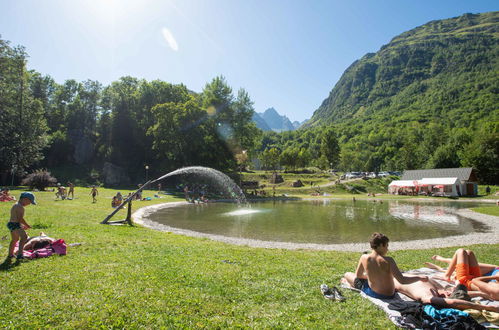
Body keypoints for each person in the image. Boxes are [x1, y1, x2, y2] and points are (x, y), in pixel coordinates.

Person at [343, 233, 428, 299]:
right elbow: (402, 280)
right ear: (380, 245)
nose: (387, 248)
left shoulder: (364, 257)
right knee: (354, 277)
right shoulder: (389, 260)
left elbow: (358, 275)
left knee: (347, 274)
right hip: (390, 295)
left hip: (375, 293)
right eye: (386, 245)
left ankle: (347, 282)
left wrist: (371, 276)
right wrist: (419, 278)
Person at [431, 249, 499, 300]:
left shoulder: (496, 290)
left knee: (460, 251)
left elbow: (476, 280)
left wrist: (495, 277)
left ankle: (447, 275)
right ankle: (446, 266)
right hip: (473, 280)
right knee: (469, 252)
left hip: (466, 282)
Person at [7, 192, 36, 259]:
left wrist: (21, 225)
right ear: (25, 199)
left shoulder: (15, 205)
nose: (29, 204)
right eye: (29, 202)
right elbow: (20, 219)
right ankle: (20, 254)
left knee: (14, 239)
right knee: (24, 237)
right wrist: (26, 225)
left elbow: (15, 218)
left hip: (11, 224)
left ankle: (10, 254)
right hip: (16, 225)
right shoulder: (20, 208)